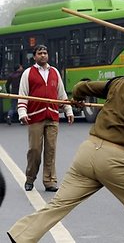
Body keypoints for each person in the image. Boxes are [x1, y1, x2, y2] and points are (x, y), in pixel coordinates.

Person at [8, 49, 124, 243]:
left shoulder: (117, 83)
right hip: (115, 161)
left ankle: (21, 236)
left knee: (58, 205)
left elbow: (82, 86)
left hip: (87, 153)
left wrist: (78, 97)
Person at [17, 45, 74, 192]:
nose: (43, 55)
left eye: (45, 53)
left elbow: (61, 94)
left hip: (53, 117)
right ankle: (30, 178)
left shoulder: (54, 72)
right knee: (34, 150)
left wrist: (68, 110)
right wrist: (22, 113)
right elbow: (22, 95)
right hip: (35, 117)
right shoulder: (28, 73)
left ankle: (50, 181)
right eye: (40, 53)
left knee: (51, 150)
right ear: (34, 57)